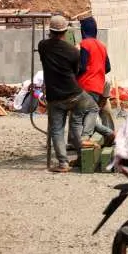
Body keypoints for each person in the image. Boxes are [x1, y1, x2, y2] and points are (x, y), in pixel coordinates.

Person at [37, 14, 101, 173]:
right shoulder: (73, 51)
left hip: (54, 97)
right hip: (74, 93)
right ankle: (84, 140)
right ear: (65, 31)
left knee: (57, 130)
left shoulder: (43, 46)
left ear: (50, 31)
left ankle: (63, 163)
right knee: (92, 108)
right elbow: (76, 71)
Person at [69, 16, 115, 149]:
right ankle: (105, 134)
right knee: (87, 114)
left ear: (83, 31)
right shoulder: (102, 46)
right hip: (97, 87)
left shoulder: (84, 44)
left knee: (78, 117)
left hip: (85, 85)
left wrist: (74, 77)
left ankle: (85, 140)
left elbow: (82, 66)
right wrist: (97, 72)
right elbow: (108, 67)